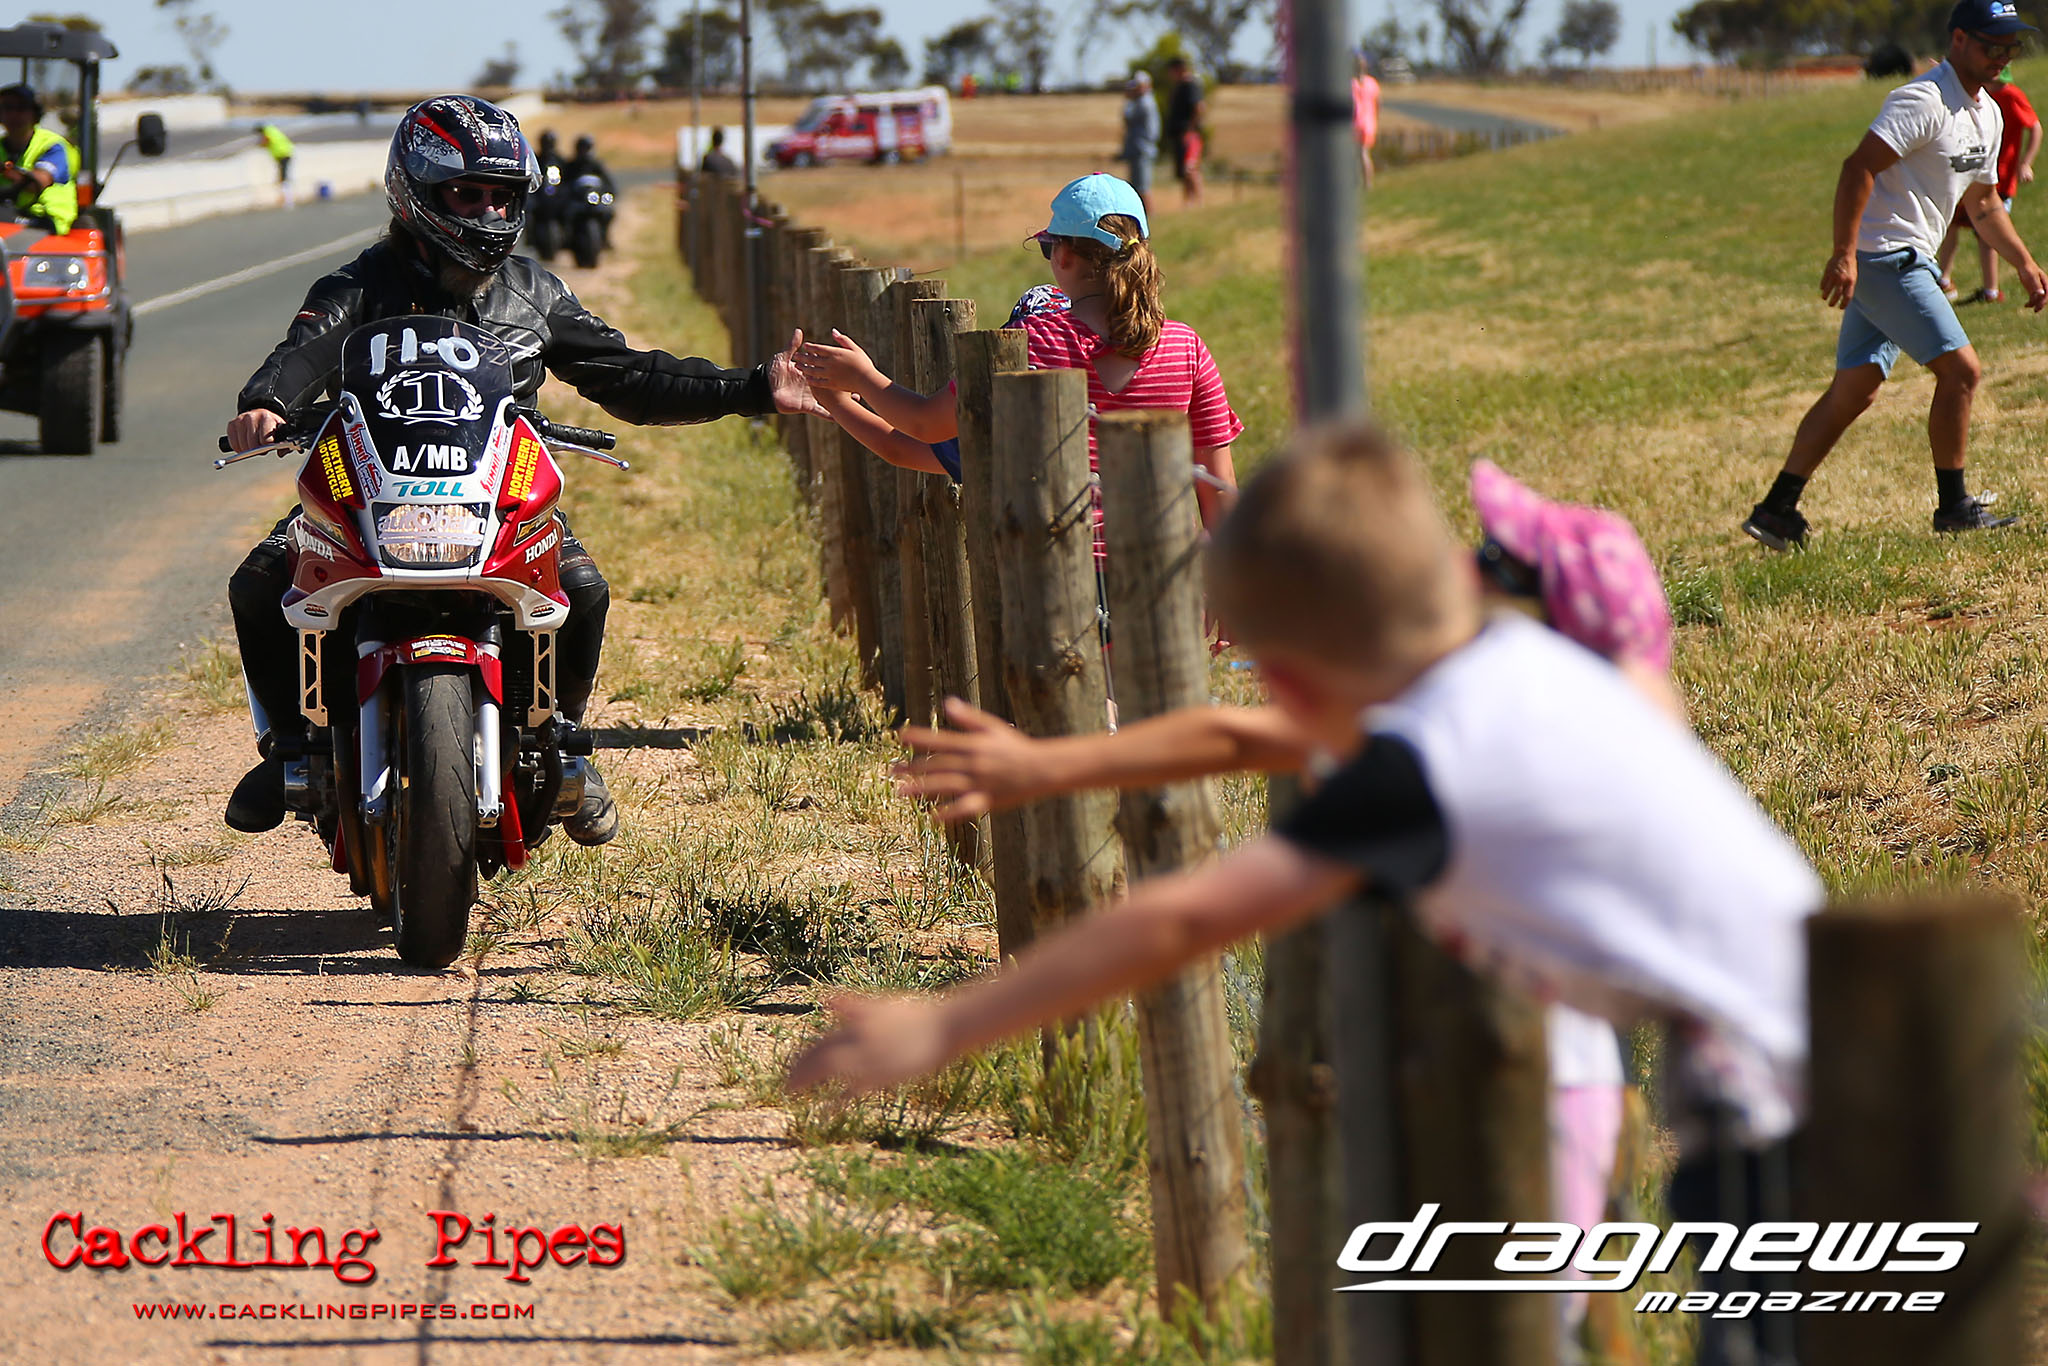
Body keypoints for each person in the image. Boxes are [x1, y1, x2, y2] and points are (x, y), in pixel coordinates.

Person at [794, 422, 1822, 1366]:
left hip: (1783, 1112)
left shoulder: (1431, 762)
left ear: (1285, 676)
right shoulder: (1513, 674)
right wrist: (1045, 767)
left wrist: (944, 1026)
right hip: (1830, 1056)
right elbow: (1244, 740)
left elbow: (1183, 915)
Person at [221, 95, 824, 843]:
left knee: (584, 587)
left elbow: (631, 375)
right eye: (467, 193)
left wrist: (756, 387)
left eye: (501, 196)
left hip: (497, 496)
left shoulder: (535, 292)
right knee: (259, 583)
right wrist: (267, 403)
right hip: (369, 490)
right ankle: (288, 749)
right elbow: (300, 354)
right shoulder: (355, 287)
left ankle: (563, 738)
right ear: (414, 190)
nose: (488, 210)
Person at [1741, 0, 2048, 551]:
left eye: (2011, 47)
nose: (2002, 56)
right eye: (1990, 45)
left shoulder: (1989, 114)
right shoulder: (1923, 100)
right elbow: (1858, 166)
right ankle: (1954, 507)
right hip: (1888, 257)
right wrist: (1843, 253)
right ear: (1958, 40)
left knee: (1854, 390)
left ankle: (1776, 510)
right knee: (1962, 371)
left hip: (1902, 258)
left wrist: (2023, 263)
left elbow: (1983, 204)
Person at [797, 174, 1241, 553]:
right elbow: (1219, 487)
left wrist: (862, 378)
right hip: (1167, 578)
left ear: (1063, 255)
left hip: (1062, 577)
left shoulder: (1030, 342)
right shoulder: (1187, 347)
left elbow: (923, 426)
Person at [1937, 72, 2042, 302]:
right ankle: (1943, 280)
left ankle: (1991, 290)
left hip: (2000, 179)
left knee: (1987, 235)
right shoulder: (1975, 96)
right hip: (1971, 177)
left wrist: (2026, 163)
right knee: (1951, 224)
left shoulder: (2011, 96)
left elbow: (2035, 126)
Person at [0, 84, 77, 234]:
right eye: (8, 108)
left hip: (47, 222)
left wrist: (6, 170)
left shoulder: (52, 146)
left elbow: (38, 182)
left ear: (35, 114)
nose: (14, 115)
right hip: (13, 215)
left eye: (21, 108)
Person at [1162, 57, 1206, 207]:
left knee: (1190, 168)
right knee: (1184, 171)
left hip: (1189, 134)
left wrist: (1190, 129)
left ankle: (1199, 202)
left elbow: (1198, 107)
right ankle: (1188, 202)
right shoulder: (1179, 86)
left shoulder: (1190, 85)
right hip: (1179, 134)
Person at [1120, 72, 1160, 214]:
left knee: (1142, 187)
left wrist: (1128, 100)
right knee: (1139, 186)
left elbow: (1127, 117)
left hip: (1141, 149)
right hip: (1141, 148)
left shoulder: (1143, 102)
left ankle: (1150, 215)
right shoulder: (1146, 101)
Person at [1353, 51, 1383, 188]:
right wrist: (1376, 118)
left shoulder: (1352, 83)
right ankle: (1366, 181)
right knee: (1364, 153)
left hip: (1356, 122)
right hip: (1370, 122)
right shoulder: (1372, 83)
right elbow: (1378, 103)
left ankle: (1364, 182)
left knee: (1360, 154)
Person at [255, 121, 296, 208]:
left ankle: (288, 200)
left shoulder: (267, 132)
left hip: (282, 155)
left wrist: (260, 144)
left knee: (283, 178)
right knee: (282, 177)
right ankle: (286, 199)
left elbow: (265, 142)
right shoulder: (273, 130)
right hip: (286, 153)